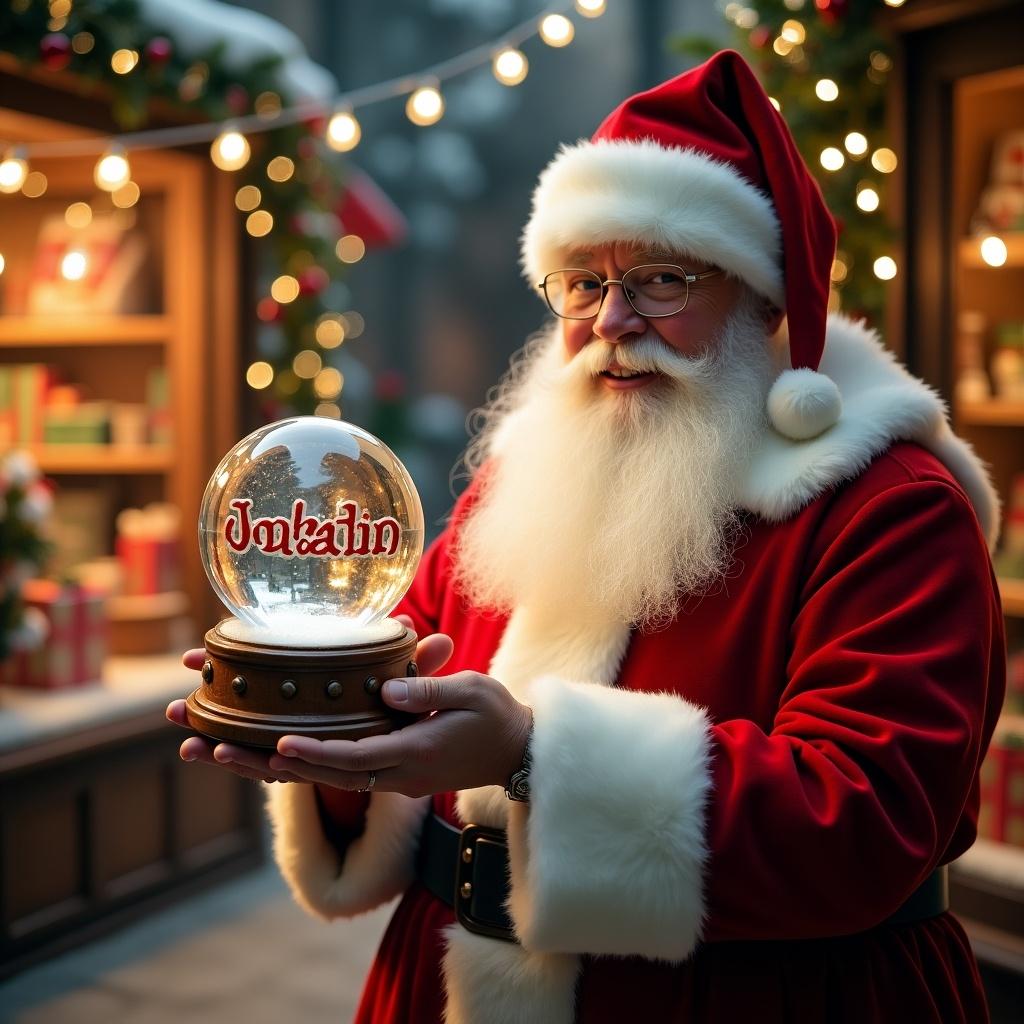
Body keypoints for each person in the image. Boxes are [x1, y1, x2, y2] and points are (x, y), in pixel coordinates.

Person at [167, 50, 1005, 1023]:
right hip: (447, 976)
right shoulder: (523, 481)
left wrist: (532, 755)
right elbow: (411, 686)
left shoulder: (887, 506)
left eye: (660, 278)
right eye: (579, 282)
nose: (612, 319)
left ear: (764, 301)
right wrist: (315, 726)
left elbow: (861, 816)